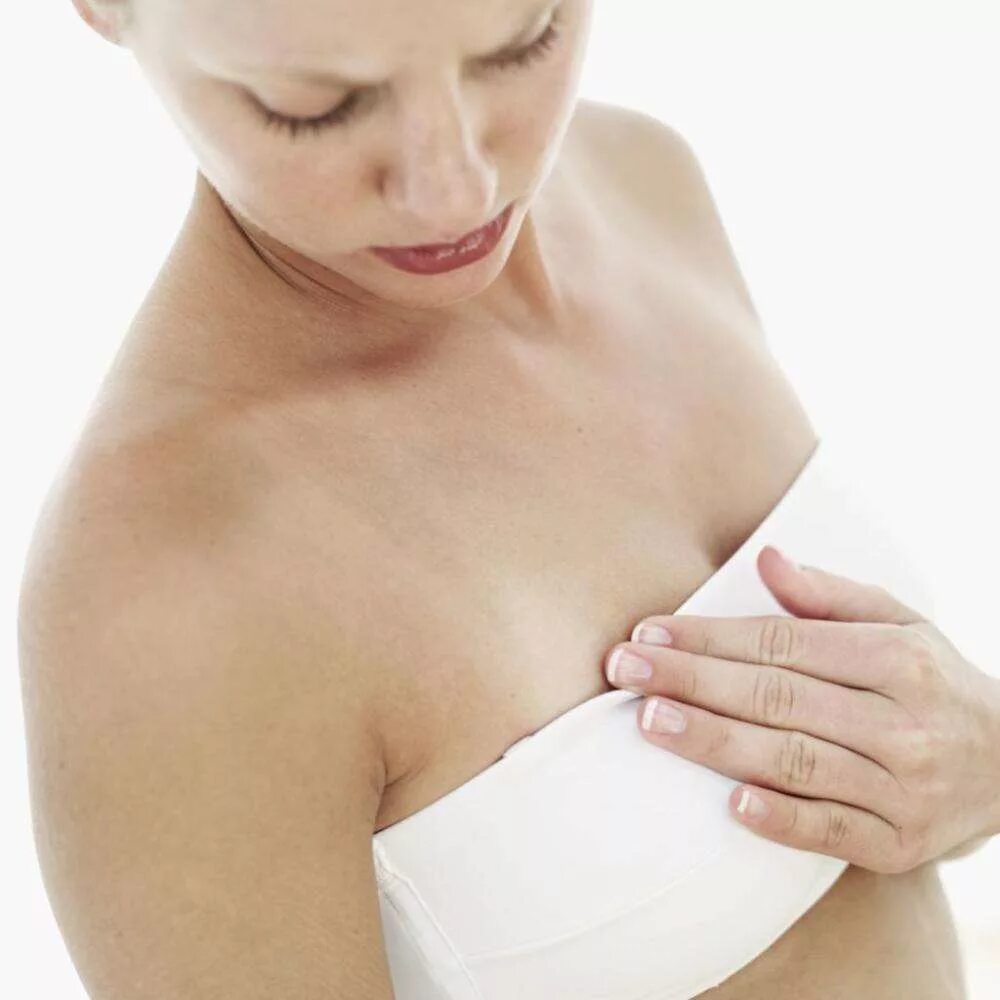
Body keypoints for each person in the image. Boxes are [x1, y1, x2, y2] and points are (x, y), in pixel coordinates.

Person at [17, 1, 966, 997]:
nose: (455, 189)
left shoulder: (644, 180)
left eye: (522, 43)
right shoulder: (166, 583)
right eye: (316, 105)